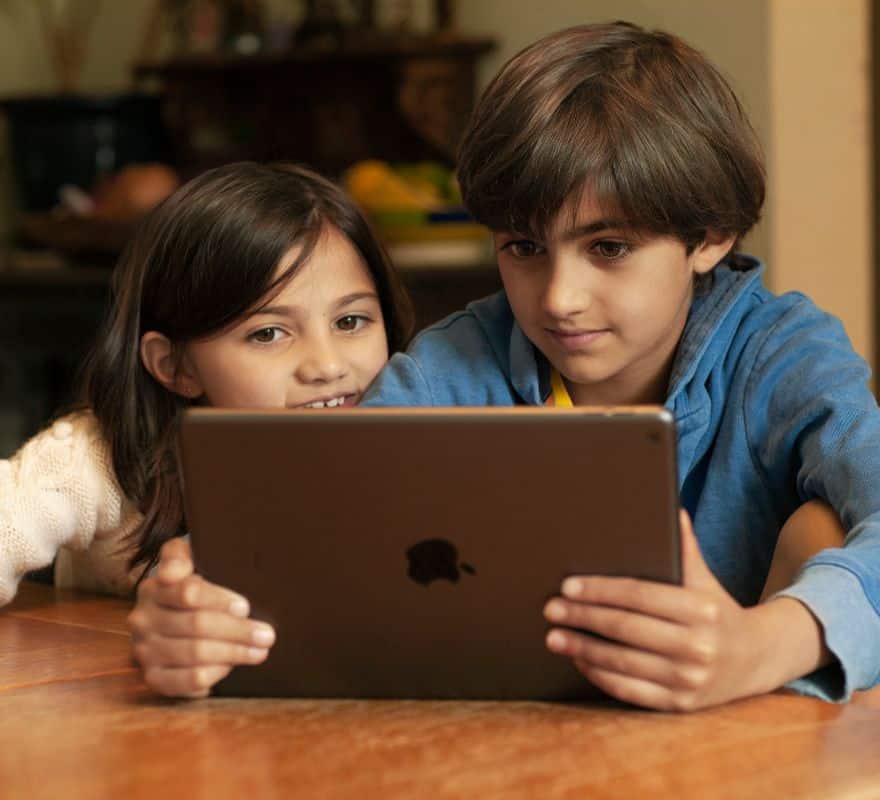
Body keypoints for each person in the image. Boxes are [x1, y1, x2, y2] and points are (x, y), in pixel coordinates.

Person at [354, 21, 880, 710]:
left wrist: (759, 645)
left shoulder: (782, 351)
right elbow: (315, 525)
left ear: (710, 235)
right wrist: (198, 598)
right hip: (518, 741)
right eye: (522, 247)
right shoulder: (452, 365)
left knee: (820, 529)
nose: (558, 299)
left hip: (747, 751)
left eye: (608, 248)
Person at [0, 162, 412, 617]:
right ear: (175, 365)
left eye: (350, 322)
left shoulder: (414, 451)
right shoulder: (94, 460)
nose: (327, 366)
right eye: (268, 333)